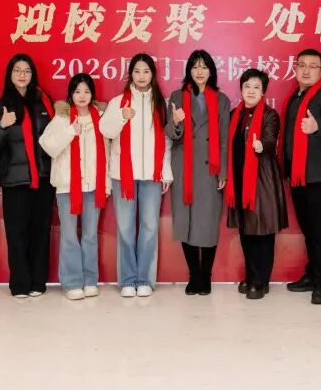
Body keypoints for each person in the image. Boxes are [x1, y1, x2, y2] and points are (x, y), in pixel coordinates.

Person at [0, 53, 55, 299]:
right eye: (17, 70)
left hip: (43, 178)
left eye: (27, 71)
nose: (22, 75)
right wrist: (1, 125)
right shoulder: (1, 105)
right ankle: (20, 284)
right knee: (16, 233)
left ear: (32, 75)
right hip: (15, 180)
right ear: (10, 75)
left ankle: (38, 282)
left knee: (40, 231)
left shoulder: (44, 102)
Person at [99, 53, 173, 297]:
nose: (141, 76)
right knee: (125, 228)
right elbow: (106, 131)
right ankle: (128, 280)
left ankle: (145, 280)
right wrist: (122, 116)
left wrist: (165, 172)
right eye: (137, 71)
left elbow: (167, 141)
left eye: (146, 71)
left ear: (153, 74)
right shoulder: (118, 102)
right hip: (123, 176)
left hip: (152, 175)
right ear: (130, 74)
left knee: (150, 227)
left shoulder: (161, 103)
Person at [39, 73, 108, 300]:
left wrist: (106, 185)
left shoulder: (100, 118)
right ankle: (71, 282)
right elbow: (47, 145)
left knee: (90, 235)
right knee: (69, 235)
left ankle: (90, 280)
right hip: (68, 187)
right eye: (77, 91)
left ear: (92, 95)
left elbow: (107, 154)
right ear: (71, 94)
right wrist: (70, 131)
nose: (82, 96)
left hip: (94, 187)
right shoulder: (61, 118)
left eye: (86, 91)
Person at [168, 50, 231, 296]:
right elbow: (170, 133)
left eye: (204, 67)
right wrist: (175, 121)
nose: (199, 71)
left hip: (210, 169)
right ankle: (194, 275)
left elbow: (224, 139)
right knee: (187, 222)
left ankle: (206, 275)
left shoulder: (222, 100)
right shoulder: (176, 97)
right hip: (184, 168)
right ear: (189, 71)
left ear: (211, 70)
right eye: (195, 67)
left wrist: (223, 171)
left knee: (208, 224)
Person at [283, 47, 321, 305]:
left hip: (318, 177)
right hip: (297, 176)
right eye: (301, 65)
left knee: (320, 232)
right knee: (308, 230)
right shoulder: (295, 96)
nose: (306, 71)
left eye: (312, 66)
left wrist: (317, 126)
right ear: (295, 68)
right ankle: (313, 274)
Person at [226, 69, 288, 300]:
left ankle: (261, 281)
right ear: (241, 89)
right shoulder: (234, 115)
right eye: (247, 86)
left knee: (262, 231)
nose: (251, 91)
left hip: (262, 180)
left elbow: (271, 139)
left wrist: (262, 145)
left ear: (263, 92)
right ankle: (252, 276)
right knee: (246, 230)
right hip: (239, 180)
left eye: (256, 87)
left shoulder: (270, 115)